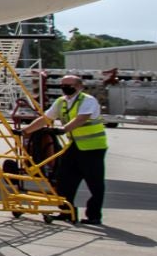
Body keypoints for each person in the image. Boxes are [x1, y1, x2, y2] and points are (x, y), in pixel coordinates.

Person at [21, 73, 107, 226]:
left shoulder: (87, 100)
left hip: (93, 147)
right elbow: (46, 118)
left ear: (79, 86)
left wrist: (64, 129)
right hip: (75, 146)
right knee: (64, 180)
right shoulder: (61, 102)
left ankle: (94, 216)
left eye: (69, 85)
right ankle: (66, 211)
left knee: (95, 183)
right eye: (62, 85)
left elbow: (82, 118)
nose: (64, 88)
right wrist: (26, 131)